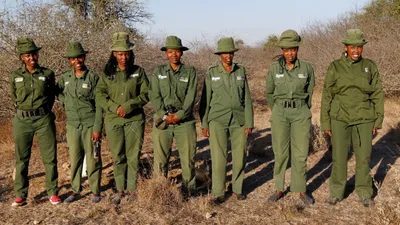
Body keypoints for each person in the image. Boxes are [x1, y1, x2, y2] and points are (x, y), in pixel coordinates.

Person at [320, 29, 384, 207]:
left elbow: (378, 93)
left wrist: (378, 119)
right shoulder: (335, 66)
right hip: (340, 117)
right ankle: (337, 192)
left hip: (364, 117)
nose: (356, 50)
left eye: (359, 47)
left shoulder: (369, 66)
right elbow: (327, 95)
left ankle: (364, 191)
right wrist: (325, 121)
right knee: (339, 157)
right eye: (352, 47)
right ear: (345, 47)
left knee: (364, 156)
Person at [96, 32, 149, 204]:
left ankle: (132, 190)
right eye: (120, 53)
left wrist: (129, 106)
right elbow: (99, 95)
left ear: (131, 53)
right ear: (114, 54)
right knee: (118, 156)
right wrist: (115, 108)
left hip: (134, 119)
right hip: (113, 121)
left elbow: (146, 94)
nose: (123, 57)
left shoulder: (138, 72)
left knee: (133, 155)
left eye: (126, 53)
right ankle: (120, 189)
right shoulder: (106, 74)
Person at [200, 37, 254, 204]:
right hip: (217, 119)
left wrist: (249, 122)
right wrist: (204, 123)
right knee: (219, 157)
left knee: (240, 155)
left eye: (230, 53)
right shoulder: (212, 72)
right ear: (220, 55)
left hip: (238, 119)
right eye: (225, 53)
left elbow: (246, 98)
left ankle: (237, 188)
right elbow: (205, 100)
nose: (228, 56)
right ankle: (218, 191)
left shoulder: (240, 71)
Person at [266, 29, 315, 205]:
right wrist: (279, 109)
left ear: (297, 49)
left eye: (293, 49)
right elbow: (270, 93)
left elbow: (309, 92)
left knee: (301, 153)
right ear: (282, 51)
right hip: (280, 113)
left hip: (300, 113)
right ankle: (279, 188)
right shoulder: (274, 68)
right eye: (286, 50)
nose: (289, 53)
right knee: (280, 153)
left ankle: (300, 189)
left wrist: (301, 109)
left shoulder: (307, 68)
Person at [10, 37, 60, 206]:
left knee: (50, 157)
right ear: (22, 57)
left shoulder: (47, 74)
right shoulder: (15, 75)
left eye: (34, 54)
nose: (31, 58)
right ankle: (21, 194)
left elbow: (52, 95)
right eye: (27, 55)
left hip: (43, 119)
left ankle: (52, 192)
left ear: (38, 55)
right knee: (22, 158)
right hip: (22, 121)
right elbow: (14, 96)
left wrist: (43, 111)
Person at [149, 36, 198, 197]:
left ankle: (189, 190)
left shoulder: (190, 72)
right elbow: (154, 96)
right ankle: (160, 191)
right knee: (161, 160)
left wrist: (179, 115)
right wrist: (164, 115)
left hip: (184, 121)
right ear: (166, 54)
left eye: (177, 51)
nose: (174, 54)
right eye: (170, 51)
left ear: (181, 53)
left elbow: (191, 97)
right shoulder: (158, 72)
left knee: (188, 158)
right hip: (163, 121)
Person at [58, 41, 103, 203]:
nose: (77, 61)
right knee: (75, 158)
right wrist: (65, 102)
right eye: (73, 59)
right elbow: (58, 92)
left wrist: (97, 127)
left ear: (84, 58)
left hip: (90, 124)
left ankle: (95, 190)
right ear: (69, 61)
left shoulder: (93, 78)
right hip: (72, 125)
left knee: (93, 159)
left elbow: (99, 106)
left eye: (79, 58)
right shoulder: (65, 78)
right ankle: (75, 190)